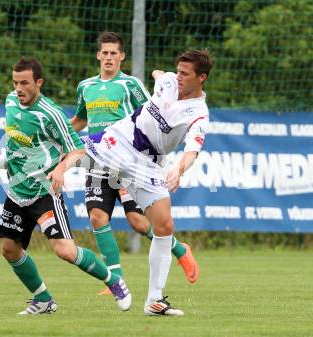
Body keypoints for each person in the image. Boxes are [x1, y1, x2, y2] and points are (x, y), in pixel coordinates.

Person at [50, 49, 213, 316]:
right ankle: (16, 163)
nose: (178, 76)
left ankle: (154, 301)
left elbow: (192, 150)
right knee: (77, 153)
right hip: (124, 137)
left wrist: (179, 169)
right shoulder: (169, 80)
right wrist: (159, 74)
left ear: (202, 78)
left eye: (185, 73)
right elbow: (160, 75)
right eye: (178, 70)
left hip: (147, 163)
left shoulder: (198, 114)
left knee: (164, 226)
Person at [0, 57, 131, 315]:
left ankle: (114, 280)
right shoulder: (11, 102)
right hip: (17, 191)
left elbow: (78, 149)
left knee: (66, 251)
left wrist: (60, 169)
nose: (19, 89)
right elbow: (22, 151)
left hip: (44, 192)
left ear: (39, 82)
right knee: (9, 249)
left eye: (24, 83)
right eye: (15, 82)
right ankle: (44, 300)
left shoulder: (51, 114)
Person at [70, 32, 199, 295]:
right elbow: (80, 120)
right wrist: (61, 133)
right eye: (104, 53)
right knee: (97, 217)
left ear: (122, 56)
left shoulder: (131, 85)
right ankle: (115, 279)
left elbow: (153, 113)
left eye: (113, 53)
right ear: (98, 55)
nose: (108, 57)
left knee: (138, 222)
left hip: (129, 161)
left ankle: (179, 249)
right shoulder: (86, 87)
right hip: (98, 158)